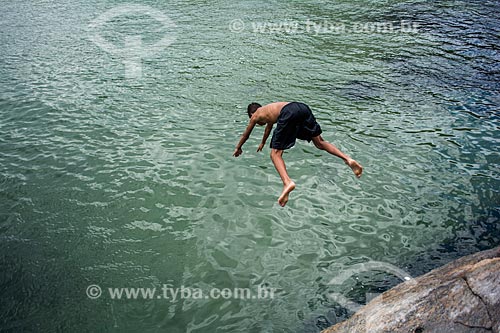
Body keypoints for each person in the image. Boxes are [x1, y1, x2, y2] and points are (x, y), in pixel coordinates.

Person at [233, 102, 363, 207]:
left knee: (275, 154)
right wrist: (263, 142)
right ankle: (348, 159)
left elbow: (246, 134)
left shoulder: (255, 116)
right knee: (320, 143)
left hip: (288, 113)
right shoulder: (269, 109)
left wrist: (238, 147)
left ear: (251, 114)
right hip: (302, 108)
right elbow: (269, 127)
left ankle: (287, 182)